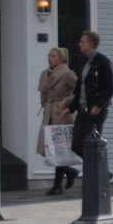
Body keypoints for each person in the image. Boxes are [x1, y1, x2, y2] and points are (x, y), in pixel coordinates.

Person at [65, 30, 113, 170]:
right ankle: (101, 172)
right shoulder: (85, 62)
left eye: (82, 41)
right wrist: (71, 108)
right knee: (76, 145)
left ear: (90, 44)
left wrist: (98, 106)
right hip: (82, 110)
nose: (79, 44)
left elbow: (111, 88)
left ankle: (99, 174)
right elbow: (80, 88)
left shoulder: (103, 62)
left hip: (95, 111)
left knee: (92, 144)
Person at [37, 47, 78, 195]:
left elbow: (80, 90)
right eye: (49, 56)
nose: (50, 58)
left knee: (58, 149)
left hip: (61, 114)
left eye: (53, 56)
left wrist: (66, 102)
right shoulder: (45, 73)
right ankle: (70, 171)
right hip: (48, 112)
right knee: (47, 149)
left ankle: (57, 184)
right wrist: (43, 102)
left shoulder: (67, 74)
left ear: (61, 59)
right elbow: (43, 92)